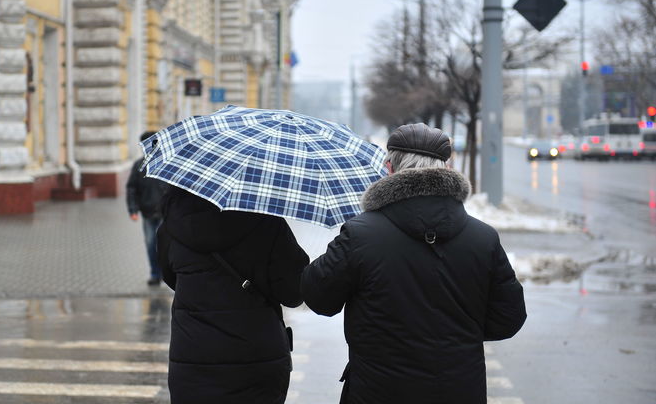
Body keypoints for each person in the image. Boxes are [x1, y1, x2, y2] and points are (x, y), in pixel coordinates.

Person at [300, 123, 527, 404]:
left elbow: (319, 298)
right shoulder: (483, 238)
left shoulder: (361, 234)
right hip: (459, 391)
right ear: (445, 168)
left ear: (389, 167)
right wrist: (456, 338)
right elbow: (509, 319)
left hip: (377, 391)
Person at [157, 186, 309, 404]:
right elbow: (294, 292)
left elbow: (171, 278)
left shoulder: (171, 227)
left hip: (193, 358)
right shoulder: (267, 222)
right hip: (257, 360)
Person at [126, 131, 169, 285]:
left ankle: (167, 273)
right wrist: (133, 210)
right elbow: (132, 188)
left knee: (165, 245)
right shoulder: (139, 166)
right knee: (151, 244)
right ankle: (155, 274)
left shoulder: (166, 163)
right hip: (148, 212)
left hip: (166, 213)